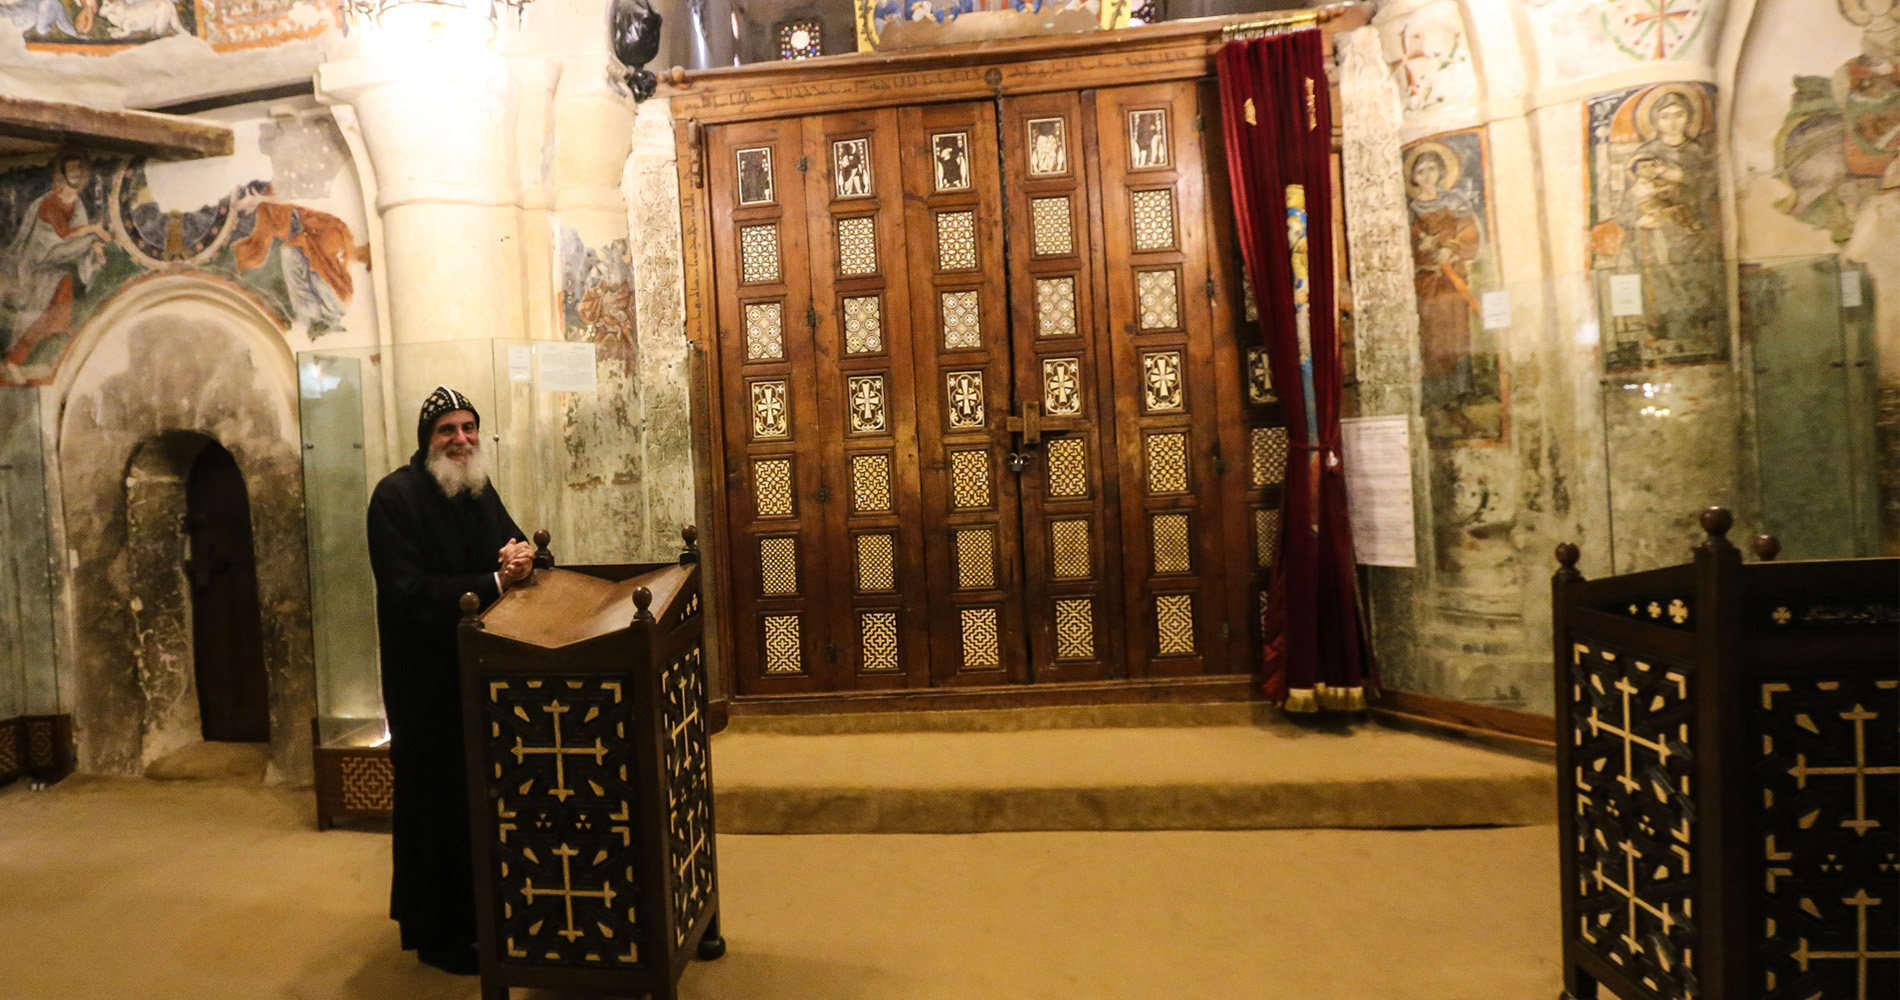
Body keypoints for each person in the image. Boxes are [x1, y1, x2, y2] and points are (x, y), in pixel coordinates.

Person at [366, 386, 535, 975]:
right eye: (447, 431)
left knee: (482, 801)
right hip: (426, 683)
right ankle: (437, 933)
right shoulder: (396, 496)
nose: (460, 440)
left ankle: (487, 917)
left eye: (468, 428)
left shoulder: (478, 487)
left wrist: (525, 562)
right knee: (436, 806)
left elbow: (512, 548)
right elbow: (407, 593)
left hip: (483, 677)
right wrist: (495, 579)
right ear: (427, 439)